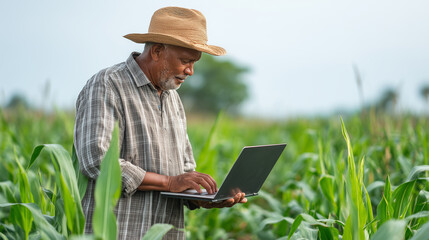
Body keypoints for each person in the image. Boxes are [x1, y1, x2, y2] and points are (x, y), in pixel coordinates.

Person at [73, 6, 247, 240]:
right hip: (117, 232)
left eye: (194, 63)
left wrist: (204, 198)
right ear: (156, 51)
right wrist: (169, 181)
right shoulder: (107, 85)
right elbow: (97, 160)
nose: (190, 71)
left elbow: (183, 171)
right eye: (185, 60)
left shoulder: (172, 97)